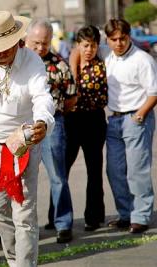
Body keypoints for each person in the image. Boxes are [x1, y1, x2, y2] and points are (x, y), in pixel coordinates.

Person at [0, 11, 55, 267]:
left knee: (24, 214)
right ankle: (15, 259)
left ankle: (25, 264)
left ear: (17, 41)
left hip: (23, 148)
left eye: (4, 48)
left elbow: (43, 98)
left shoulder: (33, 63)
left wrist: (42, 123)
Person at [101, 19, 157, 234]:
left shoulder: (142, 60)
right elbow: (80, 49)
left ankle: (141, 216)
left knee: (137, 170)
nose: (118, 43)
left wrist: (140, 115)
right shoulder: (107, 54)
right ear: (107, 39)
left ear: (129, 36)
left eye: (122, 38)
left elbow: (154, 92)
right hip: (114, 119)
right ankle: (125, 214)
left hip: (136, 117)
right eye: (113, 39)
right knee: (114, 170)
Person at [25, 18, 76, 243]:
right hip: (22, 127)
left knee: (57, 176)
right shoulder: (17, 61)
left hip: (52, 126)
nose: (40, 48)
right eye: (35, 42)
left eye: (45, 43)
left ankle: (63, 223)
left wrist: (55, 115)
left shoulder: (60, 64)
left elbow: (72, 96)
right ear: (26, 39)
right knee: (23, 179)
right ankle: (25, 226)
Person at [66, 25, 108, 231]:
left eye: (92, 45)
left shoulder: (102, 64)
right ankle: (58, 218)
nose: (89, 50)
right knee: (62, 169)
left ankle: (94, 217)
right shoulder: (68, 65)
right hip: (72, 121)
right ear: (77, 46)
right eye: (85, 45)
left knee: (94, 170)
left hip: (94, 120)